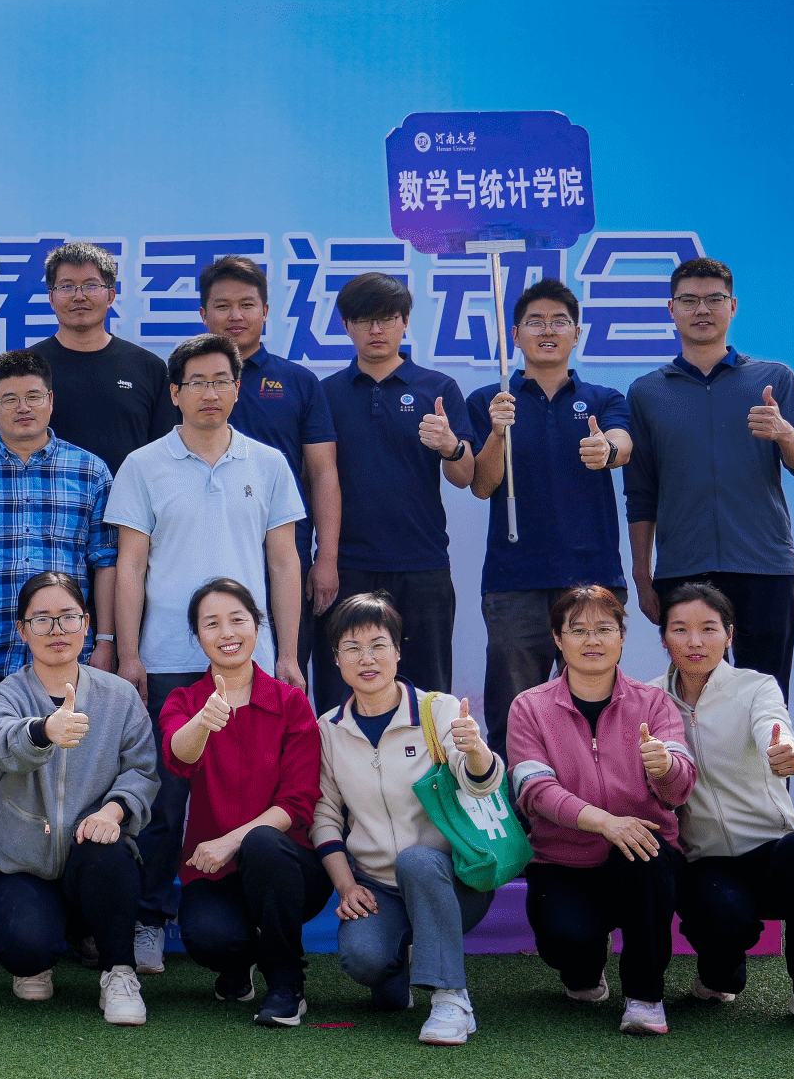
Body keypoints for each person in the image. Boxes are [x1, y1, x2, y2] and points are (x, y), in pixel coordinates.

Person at [108, 331, 305, 974]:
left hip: (251, 658)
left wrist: (287, 653)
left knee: (250, 789)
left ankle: (246, 912)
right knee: (166, 798)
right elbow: (130, 565)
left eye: (222, 380)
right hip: (169, 656)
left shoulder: (267, 464)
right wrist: (130, 654)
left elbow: (284, 562)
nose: (210, 392)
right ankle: (148, 917)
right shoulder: (143, 466)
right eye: (197, 382)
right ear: (175, 392)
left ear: (238, 388)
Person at [0, 348, 116, 969]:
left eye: (34, 395)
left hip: (67, 663)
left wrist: (106, 640)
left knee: (75, 788)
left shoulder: (90, 471)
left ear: (51, 400)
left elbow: (104, 562)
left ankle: (83, 919)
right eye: (9, 398)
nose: (23, 407)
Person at [657, 582, 794, 1035]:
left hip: (773, 851)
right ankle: (719, 975)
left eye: (709, 628)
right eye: (680, 629)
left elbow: (773, 723)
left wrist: (783, 748)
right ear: (664, 637)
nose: (694, 641)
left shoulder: (756, 686)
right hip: (706, 861)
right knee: (722, 922)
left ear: (729, 634)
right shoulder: (649, 699)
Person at [311, 592, 503, 1046]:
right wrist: (346, 886)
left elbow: (480, 783)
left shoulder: (439, 710)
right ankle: (397, 971)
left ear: (398, 651)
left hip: (454, 879)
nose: (367, 659)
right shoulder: (329, 729)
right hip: (379, 886)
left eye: (378, 645)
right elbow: (324, 816)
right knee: (365, 960)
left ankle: (452, 999)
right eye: (352, 648)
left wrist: (476, 750)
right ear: (336, 659)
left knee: (416, 860)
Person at [626, 258, 794, 699]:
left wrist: (785, 432)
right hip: (684, 569)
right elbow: (640, 493)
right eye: (689, 300)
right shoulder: (646, 392)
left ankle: (769, 754)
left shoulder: (773, 379)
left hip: (764, 565)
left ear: (732, 307)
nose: (702, 310)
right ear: (671, 309)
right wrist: (642, 575)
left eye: (714, 299)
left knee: (767, 699)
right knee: (694, 700)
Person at [509, 584, 696, 1036]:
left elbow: (680, 787)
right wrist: (605, 822)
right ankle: (585, 967)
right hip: (564, 860)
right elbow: (534, 790)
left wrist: (665, 767)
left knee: (645, 852)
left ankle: (645, 997)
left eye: (604, 629)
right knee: (566, 945)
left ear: (622, 638)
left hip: (640, 854)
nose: (591, 640)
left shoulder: (654, 702)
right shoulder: (530, 707)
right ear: (558, 639)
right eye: (578, 630)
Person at [0, 573, 159, 1025]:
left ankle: (119, 972)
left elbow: (142, 771)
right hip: (24, 866)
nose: (56, 630)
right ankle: (36, 956)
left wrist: (112, 812)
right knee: (26, 949)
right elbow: (2, 743)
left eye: (68, 617)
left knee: (110, 854)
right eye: (41, 620)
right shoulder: (2, 695)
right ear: (22, 630)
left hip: (92, 858)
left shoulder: (120, 696)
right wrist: (45, 730)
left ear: (87, 624)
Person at [464, 279, 632, 760]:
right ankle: (516, 802)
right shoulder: (490, 400)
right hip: (514, 581)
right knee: (513, 713)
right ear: (515, 335)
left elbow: (622, 443)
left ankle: (594, 800)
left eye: (559, 321)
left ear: (576, 333)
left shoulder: (602, 399)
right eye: (535, 322)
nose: (547, 331)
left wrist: (606, 450)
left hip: (592, 578)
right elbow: (481, 484)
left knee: (596, 710)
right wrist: (497, 433)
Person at [158, 578, 324, 1027]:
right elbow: (178, 756)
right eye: (211, 624)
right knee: (209, 939)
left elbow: (298, 801)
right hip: (214, 870)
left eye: (237, 620)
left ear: (257, 625)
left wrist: (232, 841)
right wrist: (202, 722)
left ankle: (287, 982)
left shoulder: (291, 703)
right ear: (197, 635)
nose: (227, 633)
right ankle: (240, 961)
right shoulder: (185, 701)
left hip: (288, 866)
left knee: (262, 843)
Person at [315, 272, 477, 702]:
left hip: (422, 564)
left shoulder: (438, 389)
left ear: (405, 321)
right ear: (346, 325)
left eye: (387, 318)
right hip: (348, 566)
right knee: (340, 694)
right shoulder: (325, 394)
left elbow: (465, 477)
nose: (376, 330)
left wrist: (451, 446)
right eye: (364, 320)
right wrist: (325, 561)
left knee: (429, 694)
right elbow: (316, 477)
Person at [201, 255, 342, 709]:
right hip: (204, 552)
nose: (235, 316)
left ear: (265, 311)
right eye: (222, 305)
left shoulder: (297, 381)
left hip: (283, 557)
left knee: (285, 678)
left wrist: (325, 558)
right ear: (204, 314)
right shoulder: (185, 381)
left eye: (247, 304)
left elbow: (322, 472)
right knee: (211, 686)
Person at [0, 241, 175, 479]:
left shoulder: (148, 367)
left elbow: (167, 455)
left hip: (128, 502)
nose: (79, 296)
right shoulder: (23, 369)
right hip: (43, 500)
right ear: (51, 298)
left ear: (111, 296)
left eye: (91, 286)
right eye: (67, 287)